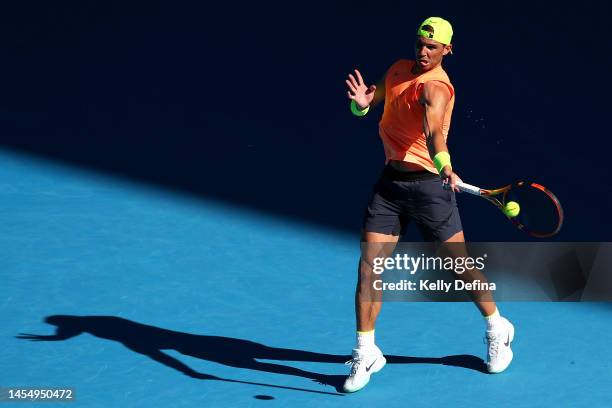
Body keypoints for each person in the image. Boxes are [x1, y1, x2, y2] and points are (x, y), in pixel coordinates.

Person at [342, 17, 515, 393]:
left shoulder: (436, 88)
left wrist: (445, 165)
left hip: (430, 190)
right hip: (390, 187)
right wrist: (361, 106)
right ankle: (365, 350)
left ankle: (496, 325)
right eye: (420, 43)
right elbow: (372, 105)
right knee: (369, 268)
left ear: (447, 51)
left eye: (432, 47)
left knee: (459, 267)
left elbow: (434, 130)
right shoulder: (397, 70)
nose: (423, 51)